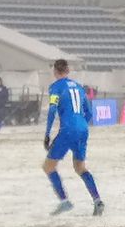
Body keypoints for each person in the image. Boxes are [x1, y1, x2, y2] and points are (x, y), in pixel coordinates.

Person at [43, 59, 104, 216]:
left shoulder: (55, 87)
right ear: (68, 71)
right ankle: (97, 200)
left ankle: (64, 201)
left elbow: (52, 110)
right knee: (80, 167)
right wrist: (80, 125)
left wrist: (47, 133)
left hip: (68, 130)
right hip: (83, 129)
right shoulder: (79, 87)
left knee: (48, 166)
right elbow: (89, 112)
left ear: (55, 71)